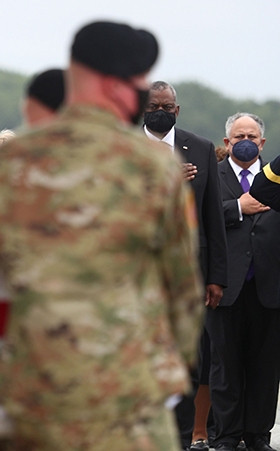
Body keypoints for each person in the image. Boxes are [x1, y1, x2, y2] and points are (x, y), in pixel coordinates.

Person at [0, 21, 204, 450]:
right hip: (133, 405)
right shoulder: (155, 167)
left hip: (32, 401)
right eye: (139, 83)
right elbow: (182, 286)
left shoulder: (8, 164)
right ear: (115, 85)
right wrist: (170, 370)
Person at [143, 80, 228, 451]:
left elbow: (214, 218)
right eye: (153, 106)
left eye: (167, 106)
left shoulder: (202, 148)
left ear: (177, 110)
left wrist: (217, 278)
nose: (160, 112)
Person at [208, 112, 279, 451]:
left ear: (262, 143)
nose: (246, 142)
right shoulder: (214, 174)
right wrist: (237, 207)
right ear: (227, 143)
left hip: (269, 287)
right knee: (226, 367)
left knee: (265, 368)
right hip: (225, 287)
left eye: (252, 136)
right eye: (239, 137)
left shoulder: (275, 178)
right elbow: (199, 216)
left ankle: (258, 436)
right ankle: (225, 436)